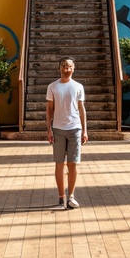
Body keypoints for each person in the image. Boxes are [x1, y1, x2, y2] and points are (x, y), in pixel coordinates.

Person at [46, 57, 88, 209]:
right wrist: (49, 129)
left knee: (73, 164)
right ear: (60, 68)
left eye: (70, 66)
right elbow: (49, 109)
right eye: (64, 66)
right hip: (58, 129)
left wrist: (84, 130)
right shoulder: (53, 86)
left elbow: (81, 109)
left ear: (74, 68)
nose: (67, 68)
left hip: (75, 129)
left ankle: (71, 196)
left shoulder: (78, 87)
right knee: (59, 163)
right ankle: (60, 197)